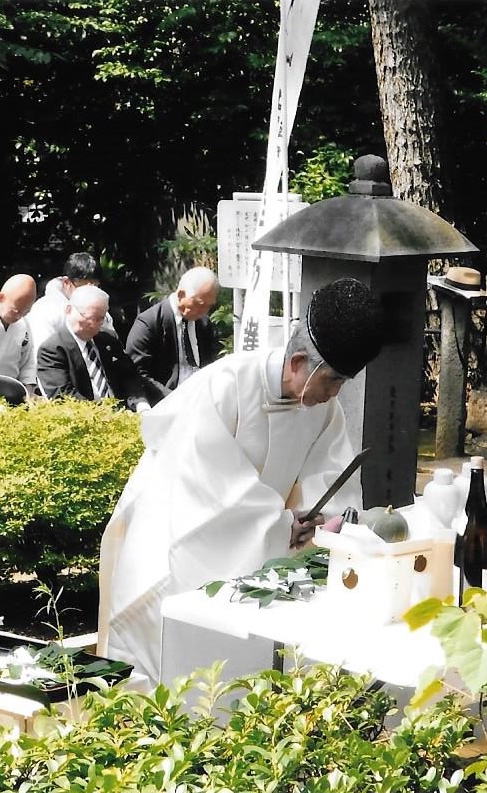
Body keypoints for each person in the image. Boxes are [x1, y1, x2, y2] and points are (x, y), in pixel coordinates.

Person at [97, 278, 385, 682]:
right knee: (167, 672)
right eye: (332, 380)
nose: (335, 393)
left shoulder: (320, 408)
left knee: (232, 673)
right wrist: (283, 524)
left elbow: (331, 476)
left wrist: (325, 522)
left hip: (249, 551)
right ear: (299, 362)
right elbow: (211, 491)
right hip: (175, 541)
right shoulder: (226, 386)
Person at [37, 284, 150, 413]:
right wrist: (106, 416)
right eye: (89, 318)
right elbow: (63, 397)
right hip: (87, 420)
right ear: (69, 310)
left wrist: (140, 404)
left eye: (100, 319)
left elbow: (129, 375)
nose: (94, 325)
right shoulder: (53, 349)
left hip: (123, 413)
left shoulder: (108, 340)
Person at [125, 266, 219, 405]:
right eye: (200, 304)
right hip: (163, 402)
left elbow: (210, 363)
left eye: (209, 306)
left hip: (200, 401)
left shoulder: (203, 323)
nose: (204, 311)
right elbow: (138, 374)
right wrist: (174, 398)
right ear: (181, 295)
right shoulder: (149, 323)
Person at [27, 252, 113, 351]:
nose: (90, 293)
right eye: (83, 288)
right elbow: (41, 354)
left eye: (95, 287)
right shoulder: (45, 310)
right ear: (67, 283)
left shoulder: (100, 310)